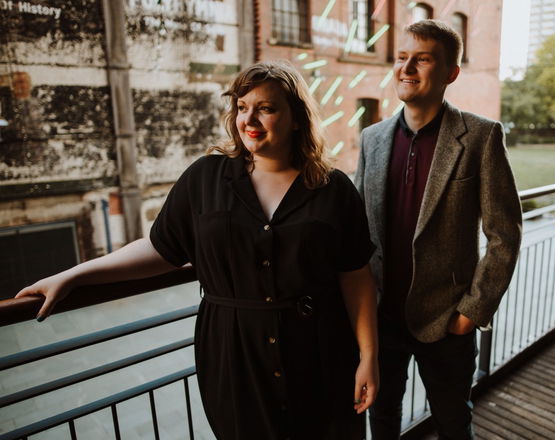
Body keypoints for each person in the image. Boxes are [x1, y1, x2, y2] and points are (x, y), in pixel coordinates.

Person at [17, 60, 379, 440]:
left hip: (320, 351)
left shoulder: (333, 188)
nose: (249, 119)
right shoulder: (206, 178)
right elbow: (159, 247)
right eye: (242, 107)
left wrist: (369, 356)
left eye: (266, 108)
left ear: (297, 119)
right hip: (234, 355)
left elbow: (355, 275)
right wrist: (75, 275)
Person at [354, 20, 522, 440]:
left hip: (446, 322)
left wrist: (470, 313)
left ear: (451, 72)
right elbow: (355, 230)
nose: (406, 68)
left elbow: (504, 234)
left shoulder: (481, 136)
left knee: (453, 425)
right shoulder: (372, 138)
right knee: (382, 423)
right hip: (380, 320)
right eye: (402, 57)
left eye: (422, 59)